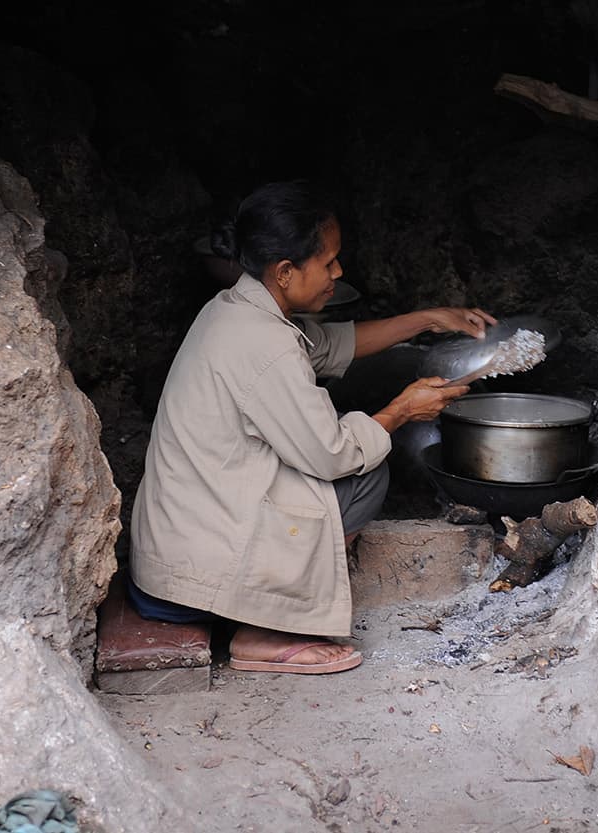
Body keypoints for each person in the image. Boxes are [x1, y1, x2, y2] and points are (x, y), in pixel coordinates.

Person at [128, 181, 494, 675]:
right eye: (329, 262)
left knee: (358, 449)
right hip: (196, 584)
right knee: (366, 472)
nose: (338, 273)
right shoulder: (266, 345)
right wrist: (403, 410)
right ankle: (265, 626)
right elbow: (333, 454)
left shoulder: (236, 309)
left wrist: (428, 318)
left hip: (170, 559)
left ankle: (273, 606)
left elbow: (332, 344)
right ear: (285, 272)